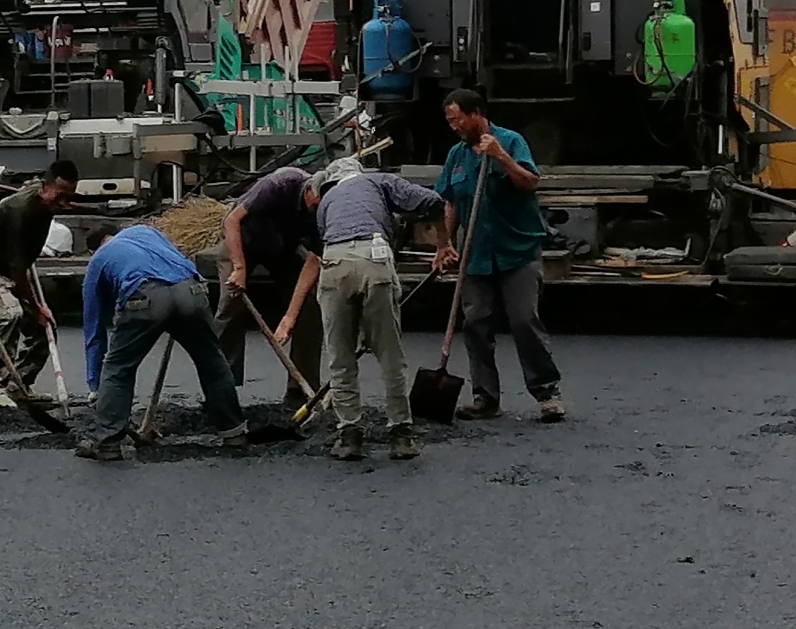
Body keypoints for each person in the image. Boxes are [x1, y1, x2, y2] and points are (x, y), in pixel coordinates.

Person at [431, 89, 564, 422]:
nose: (454, 127)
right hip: (476, 254)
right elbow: (449, 202)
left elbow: (530, 182)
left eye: (458, 119)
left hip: (517, 250)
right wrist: (443, 244)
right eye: (449, 122)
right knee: (475, 324)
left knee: (523, 320)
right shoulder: (456, 156)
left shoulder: (511, 141)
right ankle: (485, 399)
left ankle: (547, 392)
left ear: (477, 114)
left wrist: (500, 157)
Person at [312, 156, 451, 461]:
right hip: (375, 258)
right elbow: (435, 202)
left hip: (334, 261)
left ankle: (350, 435)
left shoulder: (327, 201)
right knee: (390, 354)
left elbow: (336, 248)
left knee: (340, 356)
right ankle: (401, 434)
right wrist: (443, 244)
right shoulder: (377, 181)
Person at [73, 223, 248, 462]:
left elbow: (94, 331)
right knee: (212, 361)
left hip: (146, 296)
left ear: (98, 246)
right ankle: (234, 432)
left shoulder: (99, 260)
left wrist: (96, 384)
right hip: (191, 291)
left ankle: (107, 442)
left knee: (118, 369)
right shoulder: (146, 232)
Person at [216, 161, 326, 411]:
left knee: (311, 303)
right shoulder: (281, 184)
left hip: (283, 246)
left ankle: (302, 389)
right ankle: (221, 387)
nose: (317, 210)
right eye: (316, 204)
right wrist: (240, 269)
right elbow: (231, 221)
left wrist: (289, 316)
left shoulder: (324, 210)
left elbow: (313, 261)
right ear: (308, 191)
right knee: (231, 303)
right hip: (243, 239)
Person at [0, 160, 77, 405]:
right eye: (60, 196)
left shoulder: (44, 202)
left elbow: (20, 266)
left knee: (46, 326)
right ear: (44, 188)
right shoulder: (21, 210)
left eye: (69, 197)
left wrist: (40, 311)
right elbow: (16, 269)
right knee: (10, 314)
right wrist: (34, 305)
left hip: (13, 266)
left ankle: (18, 384)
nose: (63, 203)